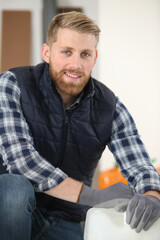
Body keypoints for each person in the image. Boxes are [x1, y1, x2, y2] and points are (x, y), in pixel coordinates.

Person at [0, 11, 160, 240]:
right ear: (47, 52)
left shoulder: (110, 106)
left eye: (85, 54)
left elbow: (140, 164)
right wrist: (93, 197)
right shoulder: (11, 84)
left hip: (66, 223)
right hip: (11, 217)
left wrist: (152, 195)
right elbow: (20, 161)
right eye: (66, 52)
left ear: (94, 58)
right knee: (12, 186)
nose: (75, 64)